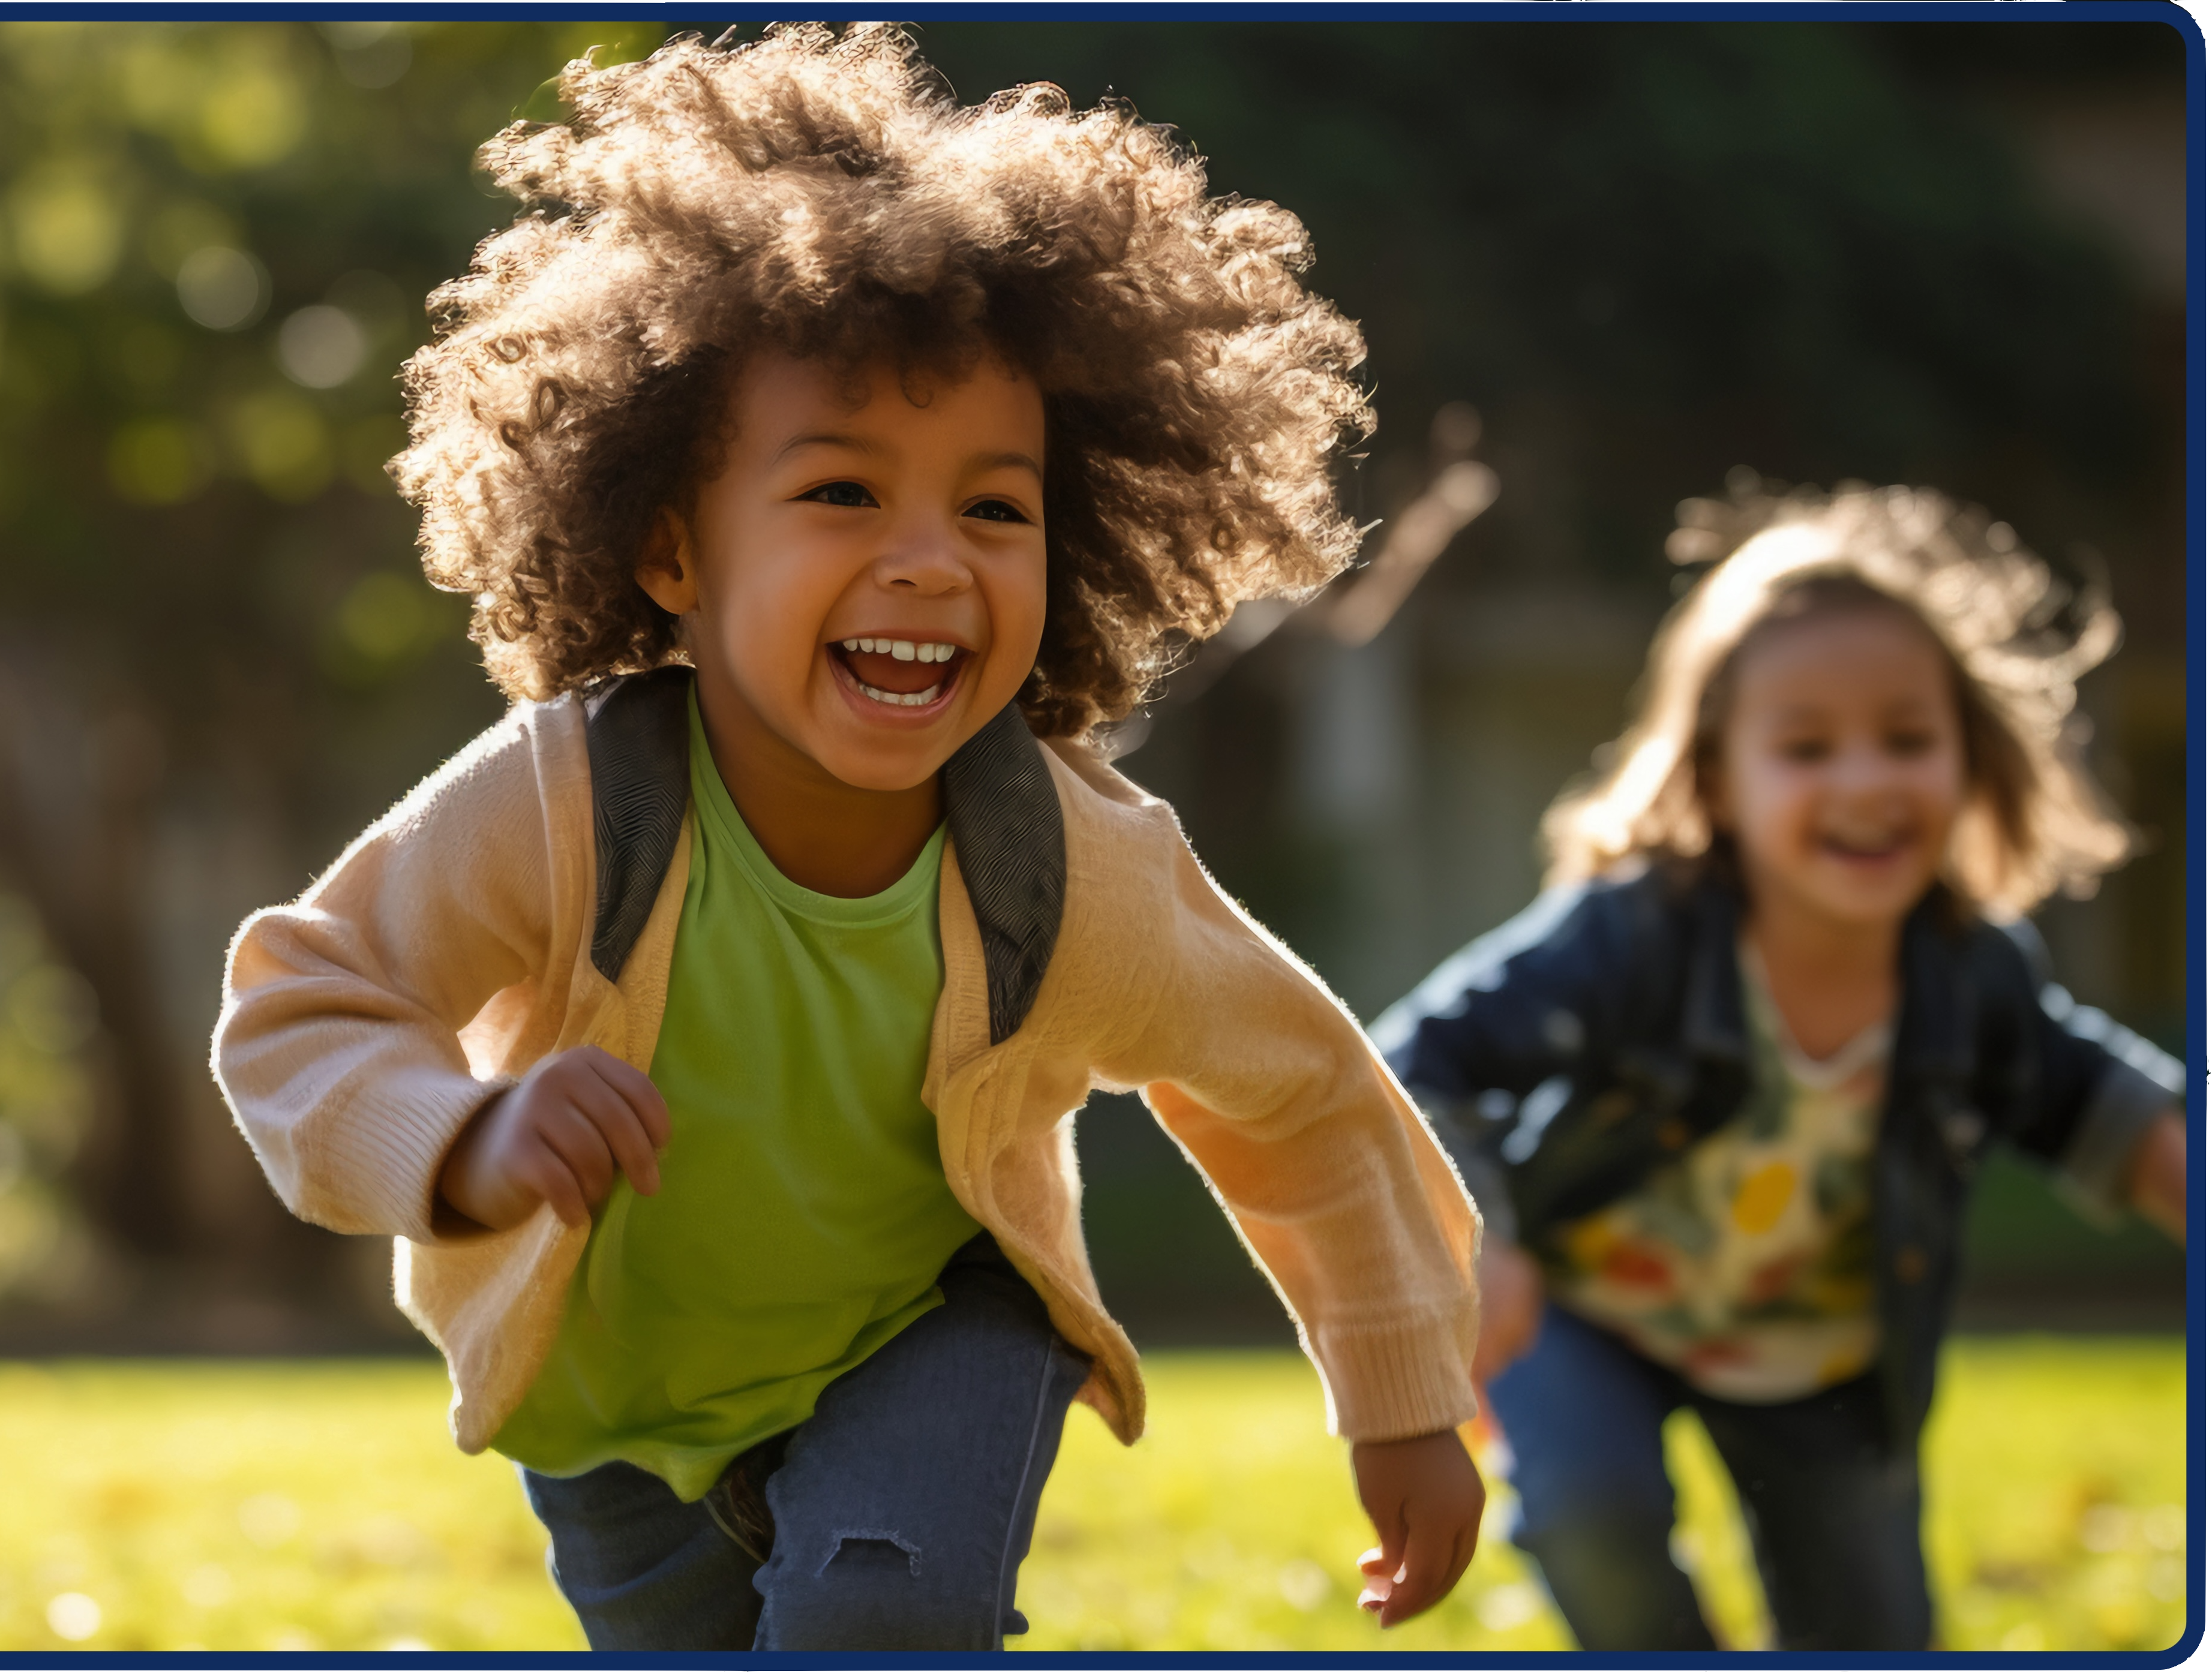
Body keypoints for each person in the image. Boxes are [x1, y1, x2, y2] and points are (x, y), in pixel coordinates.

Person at [214, 24, 1487, 1652]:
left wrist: (1396, 1389)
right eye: (839, 495)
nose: (928, 561)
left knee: (877, 1613)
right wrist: (458, 1134)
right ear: (671, 546)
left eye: (993, 507)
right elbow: (301, 1003)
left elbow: (1296, 1085)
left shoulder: (1068, 865)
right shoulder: (566, 803)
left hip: (931, 1320)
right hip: (619, 1397)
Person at [1371, 481, 2189, 1652]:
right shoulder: (1633, 934)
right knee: (1593, 1526)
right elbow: (1412, 1060)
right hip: (1583, 1310)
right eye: (1806, 748)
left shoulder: (1969, 975)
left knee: (1871, 1638)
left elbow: (2102, 1106)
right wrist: (1475, 1239)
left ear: (1965, 756)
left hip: (1823, 1361)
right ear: (1717, 774)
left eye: (1905, 739)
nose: (1863, 780)